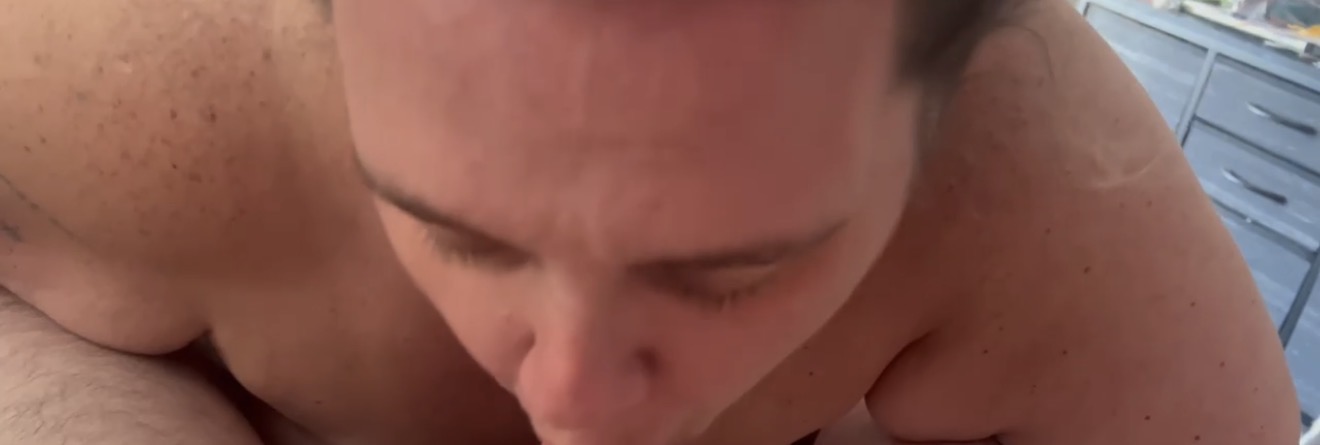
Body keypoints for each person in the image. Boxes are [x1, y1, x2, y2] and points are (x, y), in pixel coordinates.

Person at [0, 0, 1303, 444]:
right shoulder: (115, 96)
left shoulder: (1034, 187)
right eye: (463, 232)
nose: (568, 398)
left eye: (735, 271)